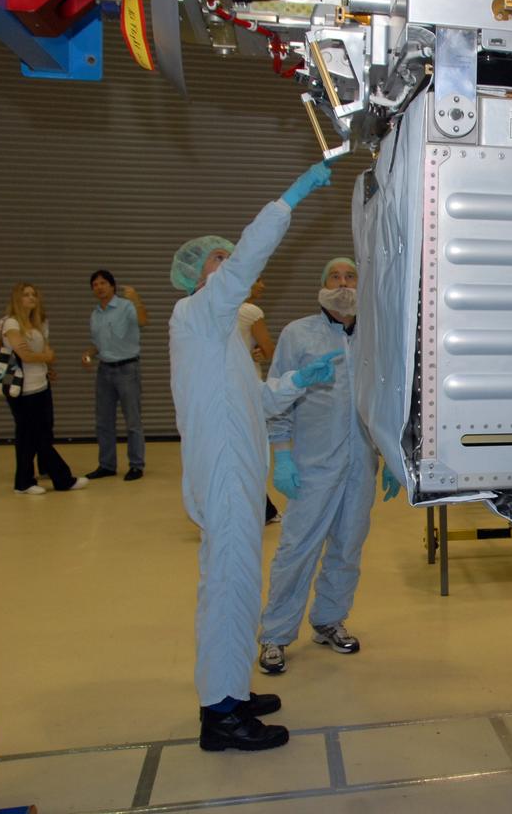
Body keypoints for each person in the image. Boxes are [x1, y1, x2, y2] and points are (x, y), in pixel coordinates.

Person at [169, 160, 341, 752]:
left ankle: (231, 692)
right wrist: (287, 201)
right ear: (196, 275)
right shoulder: (198, 314)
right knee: (229, 587)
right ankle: (220, 716)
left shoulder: (219, 336)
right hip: (223, 474)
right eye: (215, 258)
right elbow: (247, 261)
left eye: (226, 256)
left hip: (237, 472)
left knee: (239, 584)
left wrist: (299, 380)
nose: (227, 263)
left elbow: (257, 399)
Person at [257, 257, 401, 675]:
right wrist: (283, 456)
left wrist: (391, 456)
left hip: (361, 464)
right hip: (312, 464)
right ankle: (275, 634)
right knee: (297, 549)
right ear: (322, 285)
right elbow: (277, 397)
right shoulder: (298, 334)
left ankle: (329, 620)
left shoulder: (375, 337)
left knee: (347, 547)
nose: (343, 283)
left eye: (350, 276)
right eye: (334, 276)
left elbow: (387, 403)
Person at [0, 283, 88, 495]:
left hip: (41, 385)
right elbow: (25, 355)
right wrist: (44, 357)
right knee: (38, 437)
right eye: (26, 295)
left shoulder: (35, 324)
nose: (32, 298)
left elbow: (46, 354)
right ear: (17, 299)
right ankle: (63, 479)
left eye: (34, 294)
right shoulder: (11, 323)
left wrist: (45, 362)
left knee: (29, 437)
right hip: (23, 390)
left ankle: (23, 482)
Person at [83, 270, 148, 481]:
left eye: (103, 283)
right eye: (95, 285)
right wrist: (89, 353)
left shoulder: (126, 306)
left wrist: (136, 299)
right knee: (103, 421)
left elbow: (143, 321)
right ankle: (107, 465)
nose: (99, 287)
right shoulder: (95, 314)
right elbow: (98, 344)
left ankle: (136, 465)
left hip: (127, 369)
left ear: (112, 286)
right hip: (104, 370)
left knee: (132, 421)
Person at [236, 277, 282, 524]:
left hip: (225, 389)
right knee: (251, 450)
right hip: (248, 388)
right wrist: (261, 353)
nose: (263, 285)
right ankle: (261, 508)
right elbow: (269, 349)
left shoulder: (222, 309)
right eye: (258, 280)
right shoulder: (251, 312)